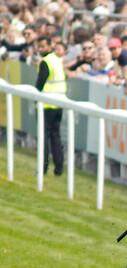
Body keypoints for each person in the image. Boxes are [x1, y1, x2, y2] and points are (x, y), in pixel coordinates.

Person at [34, 36, 66, 176]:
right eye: (39, 47)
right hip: (59, 103)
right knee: (55, 136)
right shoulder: (57, 60)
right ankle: (59, 168)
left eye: (43, 47)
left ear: (49, 46)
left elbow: (40, 84)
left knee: (44, 137)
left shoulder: (46, 62)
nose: (40, 50)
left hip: (47, 105)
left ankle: (43, 168)